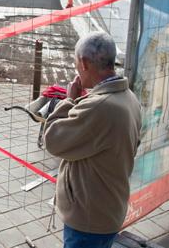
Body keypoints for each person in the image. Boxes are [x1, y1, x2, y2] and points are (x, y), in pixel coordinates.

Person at [43, 32, 142, 248]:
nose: (77, 69)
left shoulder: (100, 107)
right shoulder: (129, 98)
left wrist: (69, 99)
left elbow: (52, 139)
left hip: (89, 220)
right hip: (108, 209)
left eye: (77, 63)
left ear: (85, 63)